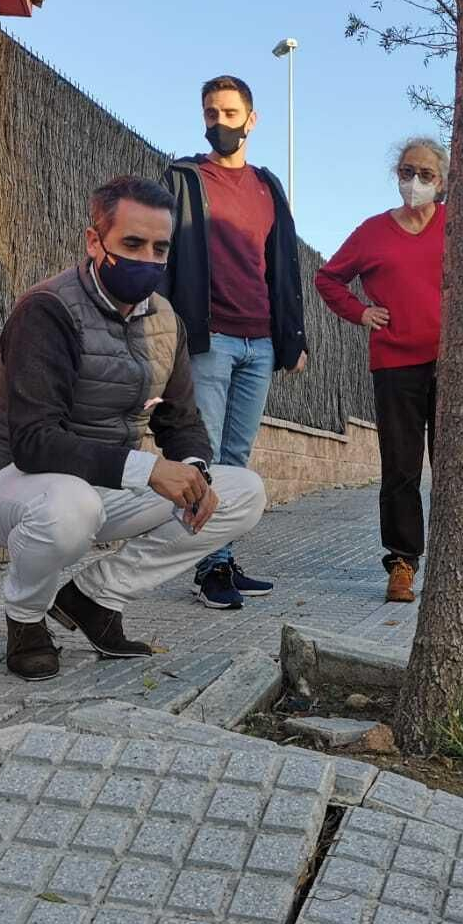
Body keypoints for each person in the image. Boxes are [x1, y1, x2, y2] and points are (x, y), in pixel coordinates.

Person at [0, 176, 268, 680]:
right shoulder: (47, 310)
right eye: (132, 244)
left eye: (159, 248)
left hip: (104, 483)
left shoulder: (167, 321)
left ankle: (94, 599)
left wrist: (191, 470)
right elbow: (35, 441)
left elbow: (180, 418)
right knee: (69, 508)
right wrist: (147, 470)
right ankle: (27, 619)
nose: (147, 258)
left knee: (241, 491)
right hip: (8, 480)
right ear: (94, 241)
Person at [161, 75, 308, 610]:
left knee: (236, 460)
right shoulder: (184, 177)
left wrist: (292, 337)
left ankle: (221, 559)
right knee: (204, 457)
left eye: (228, 113)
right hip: (210, 339)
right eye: (210, 113)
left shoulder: (269, 186)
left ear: (251, 118)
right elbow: (167, 255)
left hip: (259, 341)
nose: (218, 122)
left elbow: (284, 265)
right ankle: (207, 569)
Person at [316, 138, 448, 604]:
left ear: (443, 180)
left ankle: (455, 561)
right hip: (395, 364)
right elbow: (327, 278)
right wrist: (360, 313)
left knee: (455, 466)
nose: (415, 183)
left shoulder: (458, 226)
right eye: (408, 172)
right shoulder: (371, 232)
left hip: (453, 363)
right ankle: (402, 562)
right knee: (401, 467)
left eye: (426, 175)